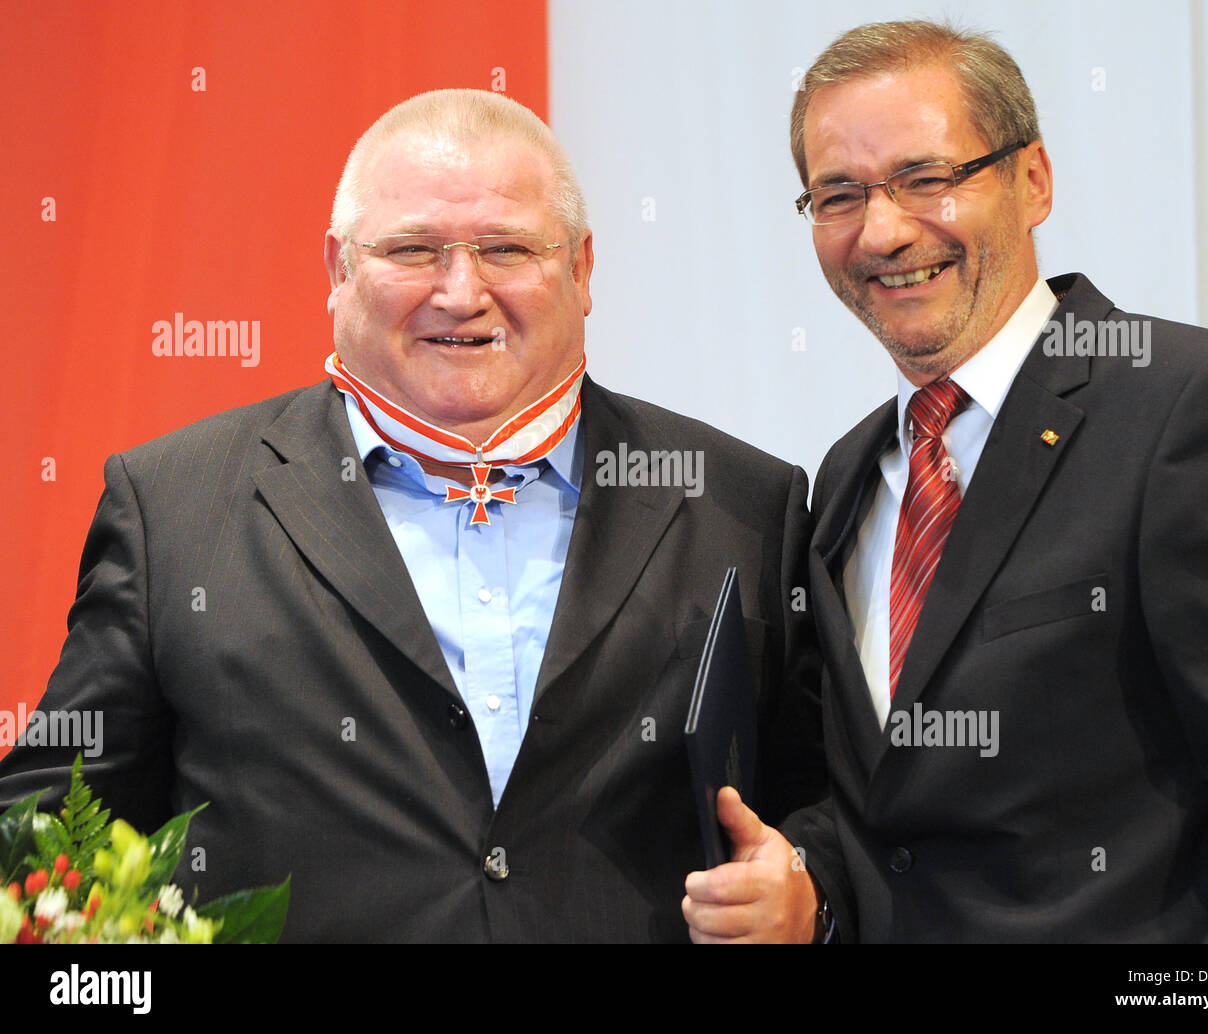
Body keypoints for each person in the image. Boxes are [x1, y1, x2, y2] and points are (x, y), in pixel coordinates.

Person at [0, 89, 824, 942]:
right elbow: (45, 841)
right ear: (338, 270)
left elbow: (828, 810)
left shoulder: (741, 501)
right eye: (412, 249)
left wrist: (809, 892)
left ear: (582, 271)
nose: (461, 292)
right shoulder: (172, 504)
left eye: (506, 248)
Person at [682, 20, 1208, 942]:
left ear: (1033, 180)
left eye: (927, 179)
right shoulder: (847, 483)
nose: (883, 231)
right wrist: (807, 891)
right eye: (838, 194)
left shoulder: (1187, 406)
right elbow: (878, 816)